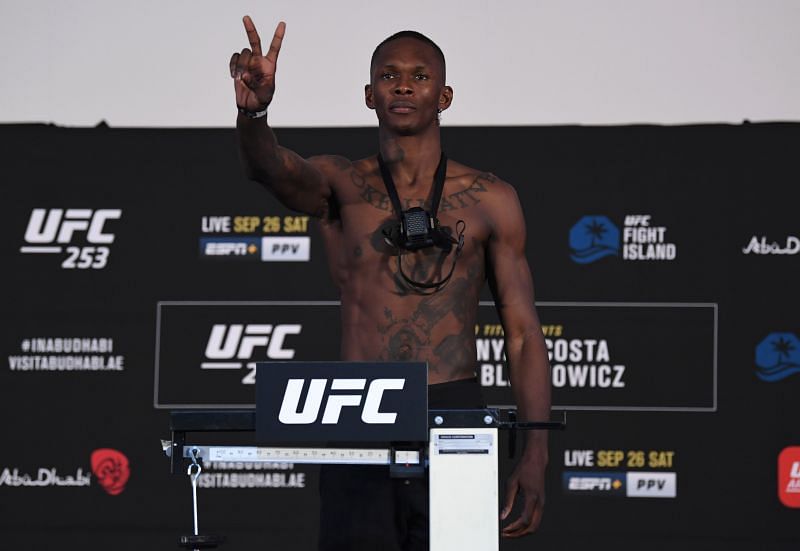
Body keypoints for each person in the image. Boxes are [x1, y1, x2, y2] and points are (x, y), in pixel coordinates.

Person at [230, 15, 551, 550]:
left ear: (444, 96)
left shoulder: (493, 200)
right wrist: (254, 112)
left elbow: (521, 332)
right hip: (358, 406)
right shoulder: (340, 183)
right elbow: (272, 169)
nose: (403, 85)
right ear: (368, 94)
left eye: (420, 77)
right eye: (389, 75)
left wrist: (536, 452)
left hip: (455, 409)